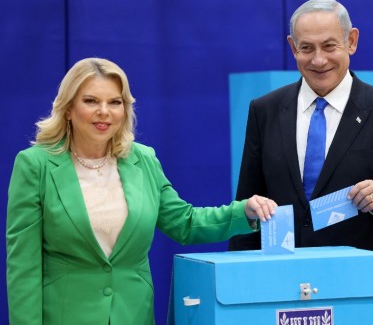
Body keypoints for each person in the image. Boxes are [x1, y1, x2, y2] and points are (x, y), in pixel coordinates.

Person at [6, 57, 276, 325]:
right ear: (67, 108)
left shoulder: (143, 159)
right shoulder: (35, 165)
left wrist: (245, 212)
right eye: (91, 101)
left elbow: (185, 223)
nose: (104, 111)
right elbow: (23, 268)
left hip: (134, 315)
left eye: (115, 102)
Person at [228, 0, 373, 253]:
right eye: (306, 48)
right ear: (292, 47)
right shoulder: (264, 110)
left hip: (355, 278)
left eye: (329, 46)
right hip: (278, 277)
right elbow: (249, 203)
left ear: (351, 41)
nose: (318, 60)